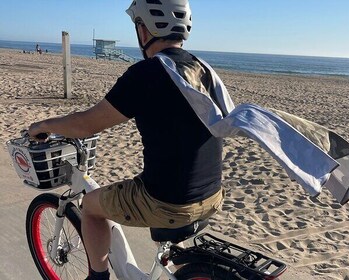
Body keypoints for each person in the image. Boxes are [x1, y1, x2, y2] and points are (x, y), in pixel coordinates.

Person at [28, 1, 224, 279]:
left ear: (143, 31)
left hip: (168, 202)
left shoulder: (147, 74)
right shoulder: (203, 69)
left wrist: (45, 124)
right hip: (212, 194)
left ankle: (98, 276)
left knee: (91, 207)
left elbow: (86, 125)